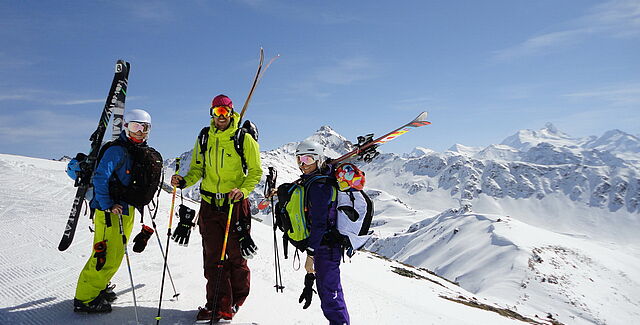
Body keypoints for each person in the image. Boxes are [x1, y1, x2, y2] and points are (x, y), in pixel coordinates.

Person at [171, 94, 262, 322]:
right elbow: (197, 169)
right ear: (212, 114)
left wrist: (243, 190)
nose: (220, 117)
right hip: (210, 205)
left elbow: (255, 171)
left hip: (234, 204)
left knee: (235, 255)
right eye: (216, 112)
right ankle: (217, 306)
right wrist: (184, 181)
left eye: (224, 112)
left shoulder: (243, 139)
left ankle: (236, 299)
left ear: (231, 113)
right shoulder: (204, 137)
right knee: (212, 257)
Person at [74, 109, 155, 313]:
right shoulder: (117, 150)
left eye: (145, 128)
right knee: (105, 255)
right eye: (136, 126)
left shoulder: (135, 150)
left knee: (116, 254)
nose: (140, 132)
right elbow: (101, 177)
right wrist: (107, 203)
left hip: (124, 211)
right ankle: (86, 298)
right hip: (110, 212)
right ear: (126, 126)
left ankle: (99, 287)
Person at [295, 140, 350, 325]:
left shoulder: (320, 187)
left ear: (318, 160)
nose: (303, 163)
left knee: (330, 294)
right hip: (325, 246)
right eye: (299, 159)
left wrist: (311, 253)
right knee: (329, 292)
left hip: (325, 247)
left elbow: (319, 223)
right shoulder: (317, 179)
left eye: (308, 158)